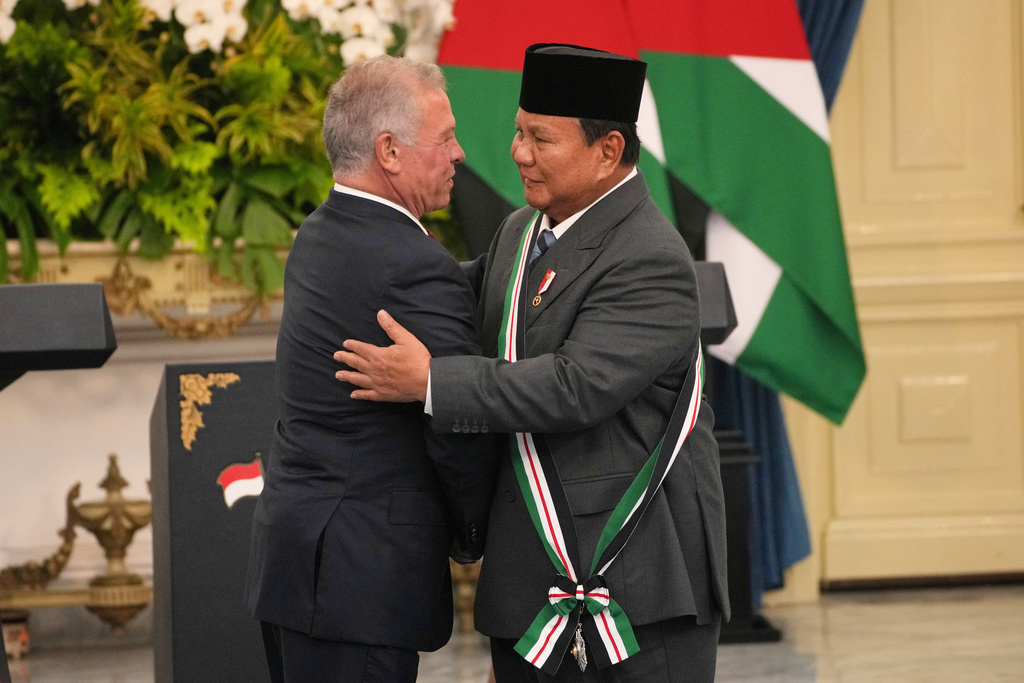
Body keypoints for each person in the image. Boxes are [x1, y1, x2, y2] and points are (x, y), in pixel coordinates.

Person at [334, 44, 730, 682]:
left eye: (540, 138)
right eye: (518, 132)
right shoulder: (522, 230)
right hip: (531, 582)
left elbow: (575, 388)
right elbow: (451, 303)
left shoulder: (651, 256)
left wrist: (430, 382)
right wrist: (356, 251)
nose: (518, 152)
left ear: (607, 152)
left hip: (636, 586)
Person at [245, 55, 497, 683]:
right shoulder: (415, 265)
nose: (459, 155)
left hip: (297, 563)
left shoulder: (319, 234)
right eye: (445, 139)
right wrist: (476, 532)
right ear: (389, 150)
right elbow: (459, 428)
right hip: (361, 584)